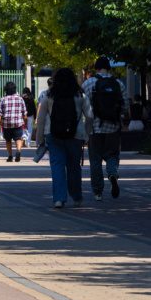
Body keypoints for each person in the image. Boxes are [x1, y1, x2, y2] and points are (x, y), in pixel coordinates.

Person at [37, 68, 92, 208]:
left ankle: (59, 199)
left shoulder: (49, 95)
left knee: (57, 166)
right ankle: (77, 196)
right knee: (74, 166)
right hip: (76, 135)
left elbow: (41, 118)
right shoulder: (80, 95)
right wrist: (87, 134)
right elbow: (90, 116)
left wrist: (39, 140)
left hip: (53, 134)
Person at [83, 56, 127, 200]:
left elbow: (83, 107)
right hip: (113, 127)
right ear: (109, 67)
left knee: (95, 160)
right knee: (112, 155)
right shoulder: (118, 84)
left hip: (94, 129)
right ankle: (112, 173)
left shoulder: (88, 83)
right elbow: (124, 106)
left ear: (96, 67)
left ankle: (97, 192)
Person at [0, 81, 28, 162]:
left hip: (6, 124)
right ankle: (18, 151)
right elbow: (24, 113)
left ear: (6, 90)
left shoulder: (3, 99)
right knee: (18, 139)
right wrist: (24, 122)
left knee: (8, 140)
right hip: (18, 123)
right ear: (14, 89)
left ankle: (10, 156)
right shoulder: (20, 99)